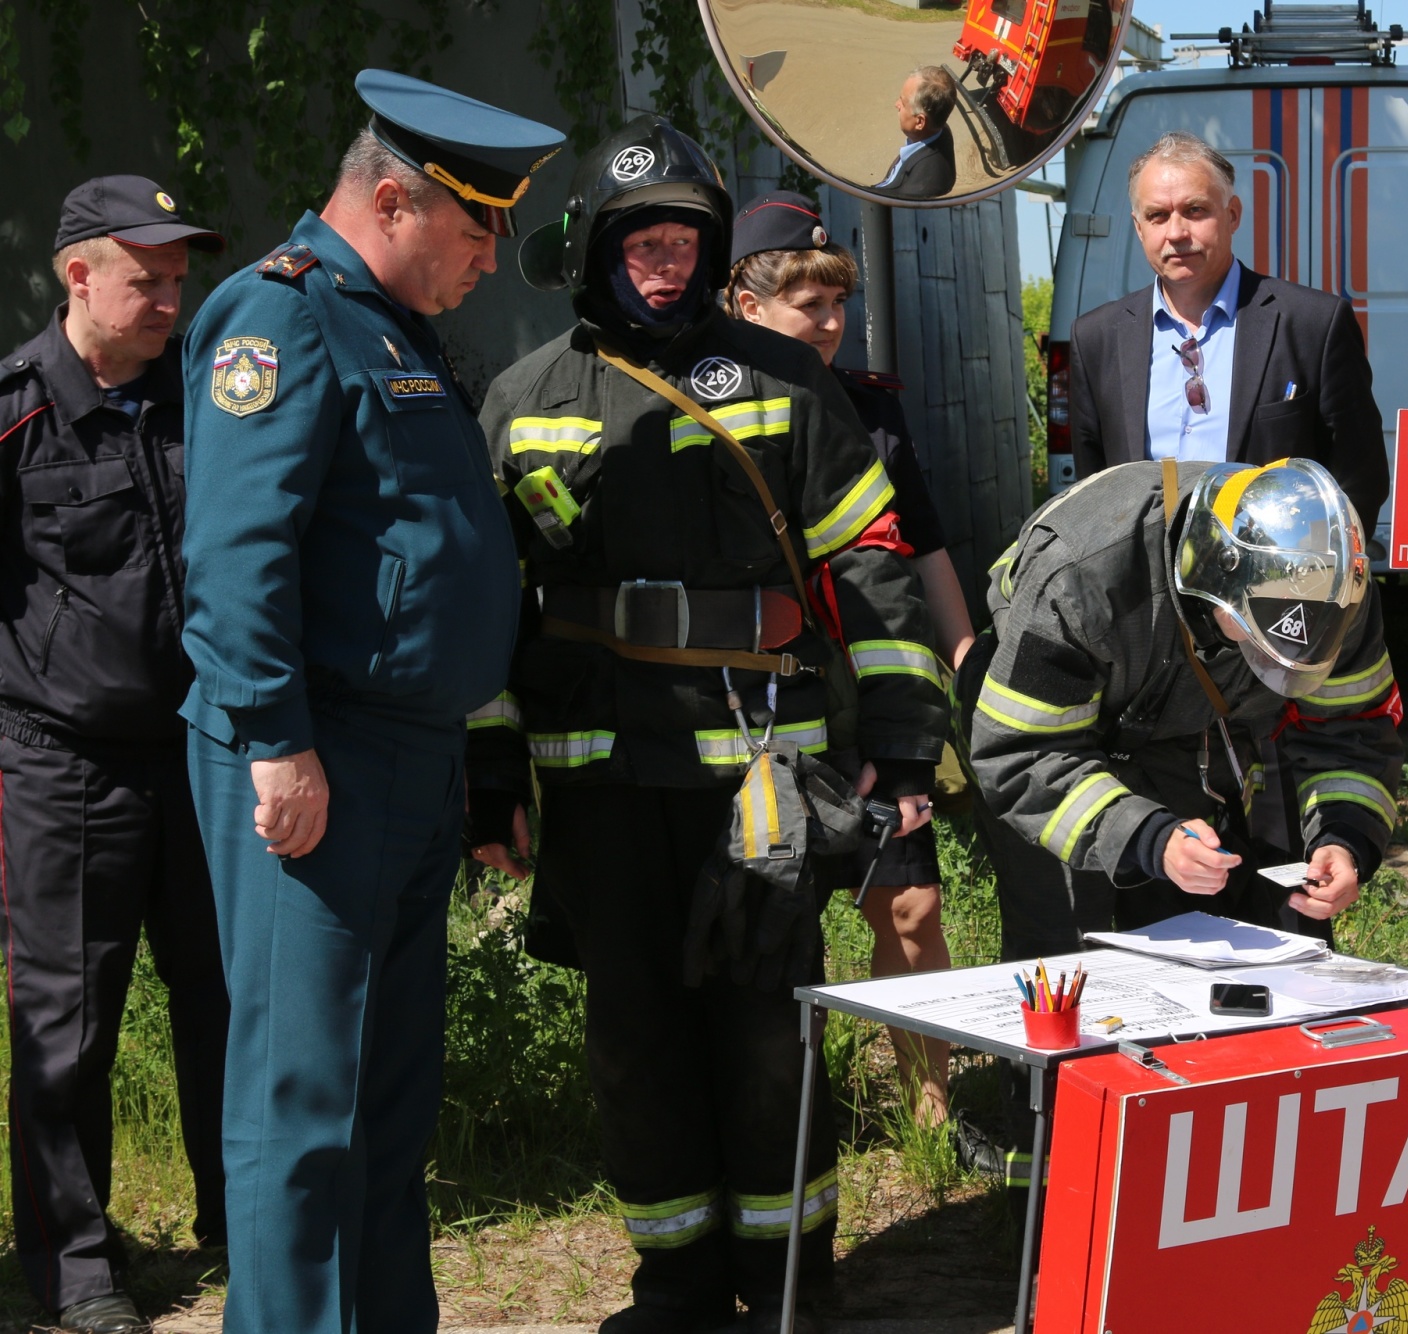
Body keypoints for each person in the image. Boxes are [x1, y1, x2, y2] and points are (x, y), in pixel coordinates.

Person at [468, 118, 947, 1334]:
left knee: (764, 1034)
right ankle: (673, 1284)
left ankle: (792, 1279)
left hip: (760, 772)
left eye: (684, 238)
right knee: (633, 1037)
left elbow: (876, 568)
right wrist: (487, 769)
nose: (665, 262)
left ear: (713, 249)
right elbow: (477, 609)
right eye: (640, 239)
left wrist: (897, 743)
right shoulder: (522, 399)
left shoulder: (789, 382)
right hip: (602, 773)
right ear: (595, 251)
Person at [178, 71, 563, 1333]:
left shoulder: (388, 330)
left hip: (407, 759)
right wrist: (277, 742)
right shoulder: (278, 320)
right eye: (476, 227)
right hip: (316, 759)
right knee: (302, 1113)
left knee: (388, 1107)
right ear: (390, 198)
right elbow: (238, 556)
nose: (493, 257)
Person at [963, 455, 1403, 1190]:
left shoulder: (1336, 588)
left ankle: (1194, 1177)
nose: (1276, 667)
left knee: (1190, 935)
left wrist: (1345, 839)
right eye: (1254, 642)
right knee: (1061, 960)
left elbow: (1350, 727)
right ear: (1209, 581)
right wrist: (1144, 834)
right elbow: (1020, 754)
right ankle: (1043, 1199)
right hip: (1039, 724)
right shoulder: (1082, 574)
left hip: (1178, 724)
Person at [0, 176, 228, 1334]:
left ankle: (237, 1220)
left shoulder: (206, 398)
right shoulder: (14, 411)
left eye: (181, 279)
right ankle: (74, 1263)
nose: (170, 299)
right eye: (147, 278)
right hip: (62, 760)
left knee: (224, 1000)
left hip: (203, 755)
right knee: (67, 1021)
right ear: (77, 274)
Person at [724, 189, 973, 1128]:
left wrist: (967, 660)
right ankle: (793, 1119)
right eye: (808, 305)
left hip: (876, 697)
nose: (831, 325)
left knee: (907, 910)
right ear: (747, 307)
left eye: (839, 305)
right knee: (776, 921)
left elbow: (926, 549)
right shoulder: (711, 411)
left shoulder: (874, 413)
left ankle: (931, 1117)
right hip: (767, 707)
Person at [1065, 131, 1388, 532]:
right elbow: (1092, 494)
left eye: (1195, 210)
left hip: (1271, 587)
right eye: (1158, 216)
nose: (1177, 232)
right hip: (1145, 589)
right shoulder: (1096, 339)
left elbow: (1360, 479)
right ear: (1138, 227)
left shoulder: (1312, 325)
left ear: (1233, 214)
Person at [874, 66, 957, 200]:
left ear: (919, 122)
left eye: (903, 102)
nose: (897, 104)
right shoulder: (938, 127)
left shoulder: (919, 188)